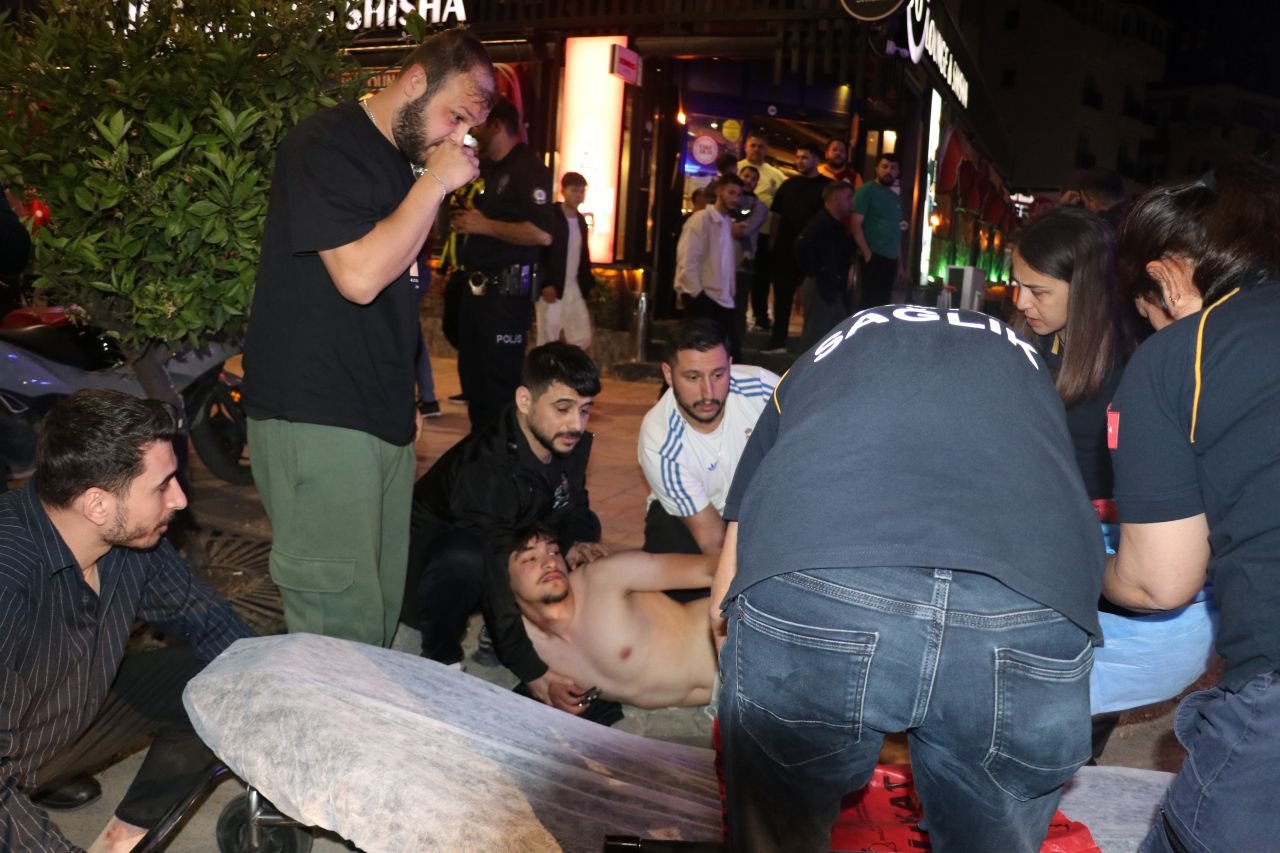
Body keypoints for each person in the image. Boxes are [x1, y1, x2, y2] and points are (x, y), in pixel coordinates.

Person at [710, 305, 1104, 852]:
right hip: (1026, 599)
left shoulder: (819, 358)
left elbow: (727, 580)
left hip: (824, 573)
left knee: (778, 830)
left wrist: (745, 690)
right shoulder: (1030, 367)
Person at [242, 30, 494, 648]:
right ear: (415, 81)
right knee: (338, 632)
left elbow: (393, 298)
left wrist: (402, 398)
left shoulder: (404, 165)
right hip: (318, 413)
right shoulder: (326, 143)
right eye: (455, 116)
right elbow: (358, 278)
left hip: (378, 415)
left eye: (470, 128)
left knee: (377, 613)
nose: (459, 139)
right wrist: (434, 185)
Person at [1106, 160, 1280, 853]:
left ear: (1168, 277)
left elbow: (1160, 581)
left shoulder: (1185, 351)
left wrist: (1081, 564)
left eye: (1147, 313)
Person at [0, 389, 253, 852]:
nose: (179, 499)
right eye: (162, 486)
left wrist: (279, 689)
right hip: (8, 754)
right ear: (97, 504)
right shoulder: (9, 583)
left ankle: (120, 844)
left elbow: (210, 624)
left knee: (224, 680)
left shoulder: (132, 541)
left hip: (59, 722)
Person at [402, 342, 607, 714]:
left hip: (499, 542)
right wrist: (533, 672)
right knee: (469, 556)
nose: (576, 424)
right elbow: (494, 567)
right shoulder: (486, 469)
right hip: (427, 578)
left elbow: (574, 502)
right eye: (562, 408)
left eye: (585, 409)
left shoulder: (563, 441)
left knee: (577, 549)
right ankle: (441, 655)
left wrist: (578, 540)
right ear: (525, 400)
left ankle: (506, 629)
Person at [507, 527, 718, 709]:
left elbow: (711, 569)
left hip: (731, 649)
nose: (550, 563)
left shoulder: (605, 577)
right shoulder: (523, 647)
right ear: (504, 579)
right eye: (530, 558)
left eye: (554, 552)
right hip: (719, 701)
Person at [450, 97, 554, 432]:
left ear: (497, 126)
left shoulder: (528, 169)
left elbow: (542, 234)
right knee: (475, 385)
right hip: (479, 296)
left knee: (500, 388)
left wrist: (484, 226)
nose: (473, 132)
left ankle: (505, 454)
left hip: (505, 298)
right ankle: (483, 453)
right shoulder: (494, 170)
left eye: (478, 124)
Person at [639, 318, 777, 560]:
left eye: (718, 375)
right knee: (670, 542)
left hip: (761, 507)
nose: (708, 393)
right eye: (693, 377)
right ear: (669, 375)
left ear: (730, 366)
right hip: (698, 518)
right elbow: (713, 542)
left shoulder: (764, 389)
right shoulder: (659, 441)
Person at [762, 142, 830, 354]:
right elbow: (776, 215)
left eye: (805, 157)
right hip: (786, 248)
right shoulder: (788, 185)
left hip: (814, 251)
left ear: (816, 160)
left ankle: (811, 345)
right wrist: (773, 241)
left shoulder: (826, 187)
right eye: (798, 157)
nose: (800, 161)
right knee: (782, 295)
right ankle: (778, 339)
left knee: (813, 299)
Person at [674, 174, 747, 358]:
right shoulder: (701, 219)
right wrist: (696, 293)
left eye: (739, 194)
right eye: (731, 192)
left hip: (721, 297)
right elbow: (688, 258)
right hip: (705, 296)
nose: (735, 199)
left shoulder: (726, 223)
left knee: (726, 352)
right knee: (700, 350)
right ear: (719, 191)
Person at [535, 171, 594, 350]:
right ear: (563, 191)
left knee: (582, 335)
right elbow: (539, 251)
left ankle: (567, 364)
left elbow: (583, 255)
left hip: (573, 286)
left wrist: (587, 285)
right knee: (548, 336)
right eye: (574, 190)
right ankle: (546, 366)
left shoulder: (581, 220)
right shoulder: (550, 216)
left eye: (581, 191)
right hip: (553, 286)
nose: (578, 195)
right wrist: (545, 283)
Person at [795, 181, 857, 349]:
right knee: (815, 337)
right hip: (821, 286)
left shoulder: (835, 226)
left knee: (834, 332)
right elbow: (801, 247)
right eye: (848, 198)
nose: (852, 202)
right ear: (836, 199)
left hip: (829, 287)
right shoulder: (820, 224)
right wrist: (819, 271)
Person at [738, 130, 788, 332]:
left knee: (761, 278)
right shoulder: (736, 169)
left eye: (761, 146)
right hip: (737, 233)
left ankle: (760, 316)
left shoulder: (776, 175)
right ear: (745, 146)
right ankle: (737, 314)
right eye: (753, 145)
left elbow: (781, 207)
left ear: (767, 149)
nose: (757, 149)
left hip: (765, 234)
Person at [852, 154, 904, 309]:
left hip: (891, 259)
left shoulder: (895, 198)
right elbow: (855, 225)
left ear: (898, 172)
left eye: (893, 168)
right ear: (876, 169)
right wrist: (867, 254)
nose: (889, 171)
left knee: (883, 304)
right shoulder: (866, 190)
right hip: (874, 255)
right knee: (869, 302)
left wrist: (900, 264)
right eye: (885, 166)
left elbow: (896, 232)